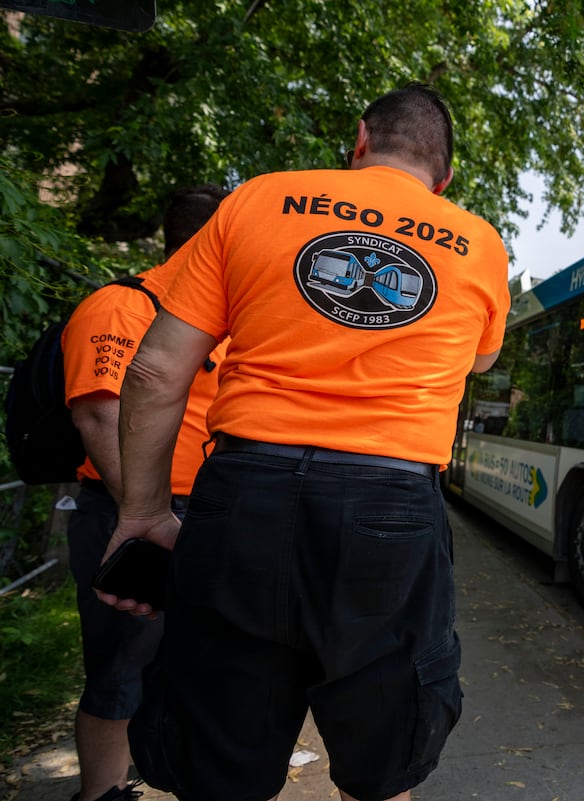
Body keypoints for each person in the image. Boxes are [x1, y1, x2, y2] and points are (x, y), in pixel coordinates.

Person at [98, 83, 511, 801]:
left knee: (218, 759)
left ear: (359, 141)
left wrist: (142, 515)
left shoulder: (258, 200)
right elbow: (479, 361)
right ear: (443, 178)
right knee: (383, 758)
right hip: (392, 507)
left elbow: (156, 370)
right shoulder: (477, 242)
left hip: (242, 495)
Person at [61, 184, 230, 801]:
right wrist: (146, 513)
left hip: (201, 516)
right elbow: (101, 418)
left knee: (189, 664)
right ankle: (101, 794)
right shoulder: (121, 307)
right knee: (122, 666)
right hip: (132, 512)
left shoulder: (218, 323)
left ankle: (159, 772)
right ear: (212, 241)